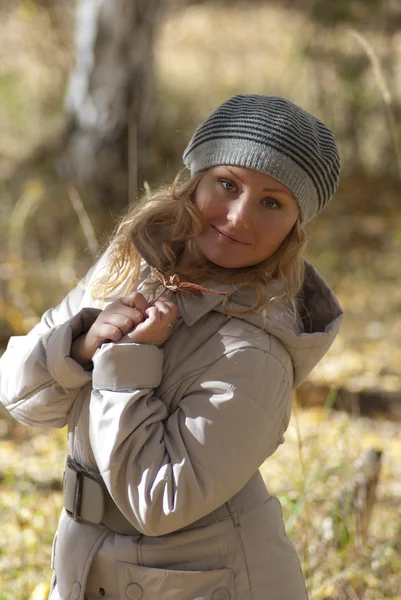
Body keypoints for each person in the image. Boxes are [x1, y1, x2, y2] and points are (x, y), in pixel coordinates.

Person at [0, 94, 342, 600]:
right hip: (86, 564)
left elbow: (159, 503)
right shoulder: (125, 270)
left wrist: (126, 363)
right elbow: (19, 396)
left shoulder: (255, 354)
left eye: (272, 202)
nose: (239, 215)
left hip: (206, 582)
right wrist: (82, 343)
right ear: (194, 180)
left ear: (296, 226)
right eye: (227, 184)